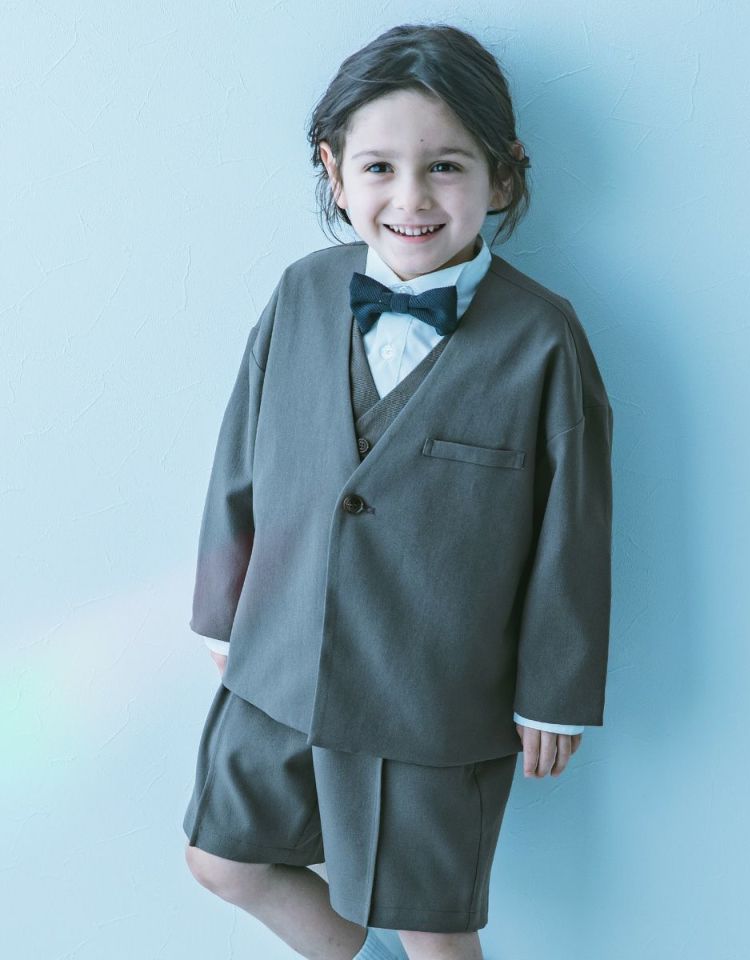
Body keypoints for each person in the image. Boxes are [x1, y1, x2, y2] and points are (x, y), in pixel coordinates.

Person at [181, 21, 613, 960]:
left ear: (504, 177)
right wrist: (221, 611)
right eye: (379, 168)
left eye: (445, 167)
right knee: (222, 858)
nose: (411, 198)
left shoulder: (542, 338)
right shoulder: (301, 293)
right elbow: (238, 462)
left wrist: (555, 693)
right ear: (334, 173)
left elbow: (572, 530)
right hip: (281, 665)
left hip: (434, 699)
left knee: (434, 928)